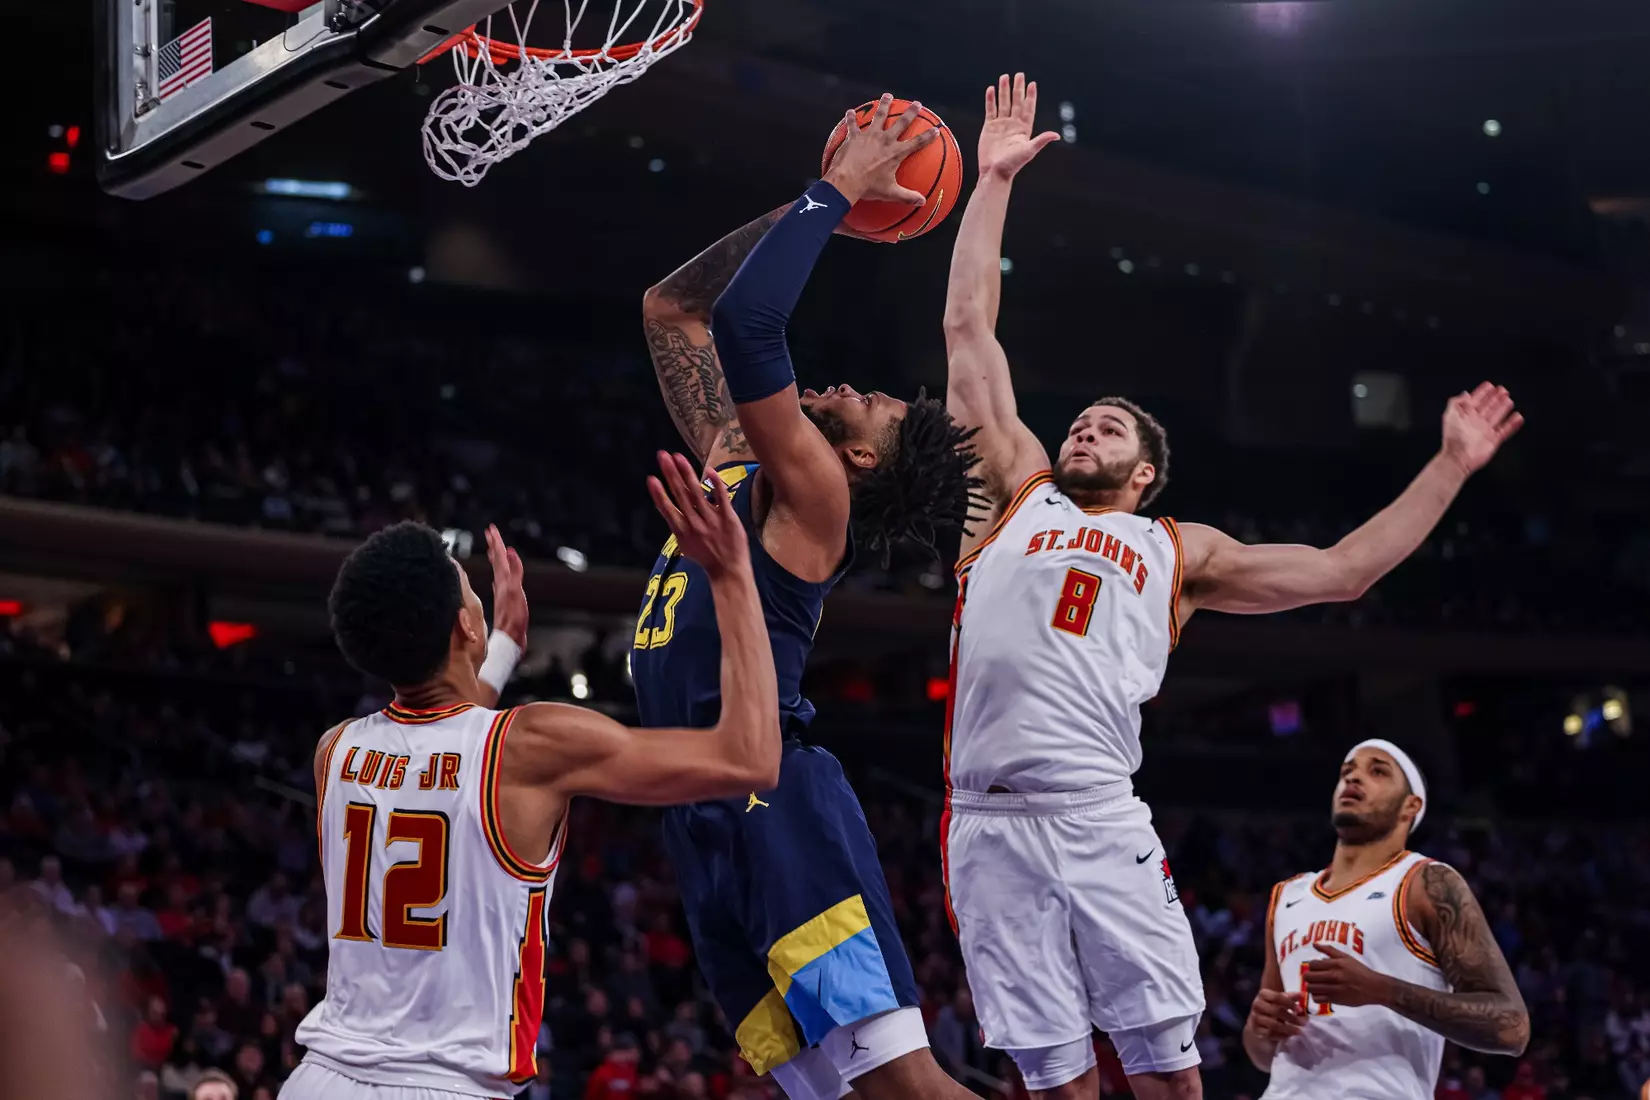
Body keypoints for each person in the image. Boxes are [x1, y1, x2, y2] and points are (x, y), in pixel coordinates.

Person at [938, 72, 1527, 1100]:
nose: (1085, 427)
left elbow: (1345, 569)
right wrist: (993, 183)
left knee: (1168, 1073)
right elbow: (967, 332)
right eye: (1080, 420)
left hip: (1097, 813)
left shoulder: (1181, 551)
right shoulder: (1013, 493)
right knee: (1053, 1082)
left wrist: (1450, 464)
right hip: (982, 821)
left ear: (1145, 473)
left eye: (1110, 427)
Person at [634, 95, 984, 1100]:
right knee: (827, 1092)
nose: (846, 388)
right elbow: (673, 309)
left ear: (863, 460)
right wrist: (829, 204)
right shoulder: (737, 454)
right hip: (700, 804)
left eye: (867, 403)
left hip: (772, 793)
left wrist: (835, 195)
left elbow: (749, 324)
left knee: (905, 1086)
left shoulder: (816, 495)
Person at [283, 453, 781, 1100]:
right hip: (445, 1086)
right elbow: (749, 759)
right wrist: (733, 573)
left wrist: (502, 652)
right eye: (469, 590)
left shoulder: (336, 752)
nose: (477, 597)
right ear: (466, 624)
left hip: (319, 1079)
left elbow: (443, 742)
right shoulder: (533, 745)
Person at [1242, 741, 1528, 1098]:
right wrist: (1259, 1027)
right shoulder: (1287, 895)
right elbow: (1263, 1056)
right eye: (1347, 771)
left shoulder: (1427, 883)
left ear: (1411, 806)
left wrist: (1382, 990)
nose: (1354, 778)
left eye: (1377, 771)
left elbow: (1512, 1027)